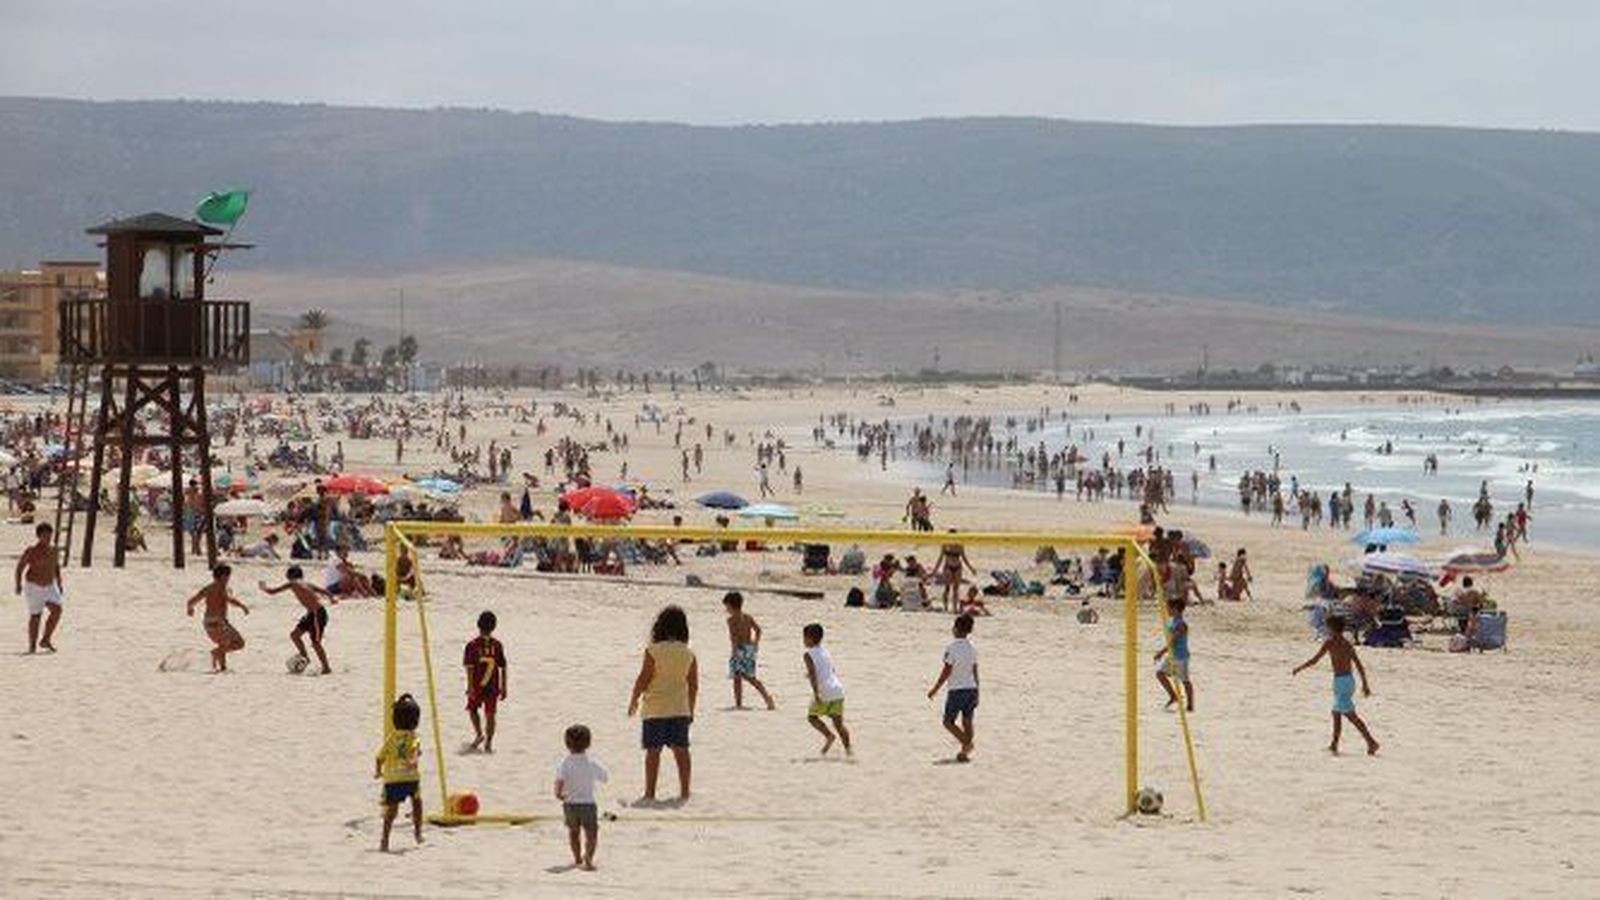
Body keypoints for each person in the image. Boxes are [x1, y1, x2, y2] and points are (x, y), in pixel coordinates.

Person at [627, 606, 698, 803]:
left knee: (653, 752)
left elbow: (643, 679)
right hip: (679, 709)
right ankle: (685, 791)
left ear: (659, 628)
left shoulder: (653, 651)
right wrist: (691, 709)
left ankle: (650, 793)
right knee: (681, 751)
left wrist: (633, 699)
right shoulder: (688, 654)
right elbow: (693, 685)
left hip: (655, 709)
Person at [1292, 614, 1380, 755]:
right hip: (1348, 681)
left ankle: (1371, 742)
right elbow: (1359, 665)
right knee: (1336, 713)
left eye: (1327, 627)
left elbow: (1315, 660)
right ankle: (1334, 745)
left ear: (1332, 628)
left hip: (1341, 683)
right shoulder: (1347, 644)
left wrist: (1300, 668)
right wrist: (1365, 684)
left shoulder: (1330, 643)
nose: (1326, 630)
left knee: (1351, 716)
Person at [259, 565, 338, 674]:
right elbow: (324, 591)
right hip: (312, 614)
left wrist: (264, 587)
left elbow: (272, 592)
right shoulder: (306, 583)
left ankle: (326, 668)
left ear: (291, 576)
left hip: (317, 614)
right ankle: (305, 657)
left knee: (316, 643)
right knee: (295, 635)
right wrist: (331, 598)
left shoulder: (293, 583)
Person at [374, 693, 424, 852]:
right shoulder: (413, 736)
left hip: (392, 779)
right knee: (417, 803)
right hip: (410, 777)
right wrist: (414, 760)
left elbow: (379, 757)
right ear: (415, 722)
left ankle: (385, 839)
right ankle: (417, 832)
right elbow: (415, 750)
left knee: (391, 811)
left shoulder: (391, 737)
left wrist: (378, 771)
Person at [926, 613, 979, 762]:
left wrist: (935, 688)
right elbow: (975, 670)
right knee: (967, 721)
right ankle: (964, 753)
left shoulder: (952, 648)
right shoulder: (972, 648)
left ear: (955, 629)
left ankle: (967, 744)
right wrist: (978, 690)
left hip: (957, 690)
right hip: (971, 689)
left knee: (948, 722)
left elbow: (946, 671)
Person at [555, 723, 608, 871]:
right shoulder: (591, 763)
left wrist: (558, 793)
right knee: (591, 833)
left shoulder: (565, 763)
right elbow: (605, 777)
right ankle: (589, 858)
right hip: (588, 804)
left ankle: (577, 858)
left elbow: (559, 780)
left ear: (567, 744)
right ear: (588, 744)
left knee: (573, 833)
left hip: (570, 803)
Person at [185, 564, 249, 672]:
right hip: (218, 622)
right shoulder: (221, 586)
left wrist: (190, 609)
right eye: (228, 576)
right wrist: (242, 606)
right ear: (223, 576)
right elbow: (229, 599)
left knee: (223, 644)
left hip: (207, 623)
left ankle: (223, 668)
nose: (229, 579)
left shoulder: (208, 588)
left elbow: (191, 601)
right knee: (239, 643)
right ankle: (215, 653)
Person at [803, 622, 852, 756]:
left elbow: (813, 675)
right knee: (839, 724)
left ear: (809, 638)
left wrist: (816, 693)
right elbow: (831, 669)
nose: (803, 641)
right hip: (837, 689)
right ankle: (849, 750)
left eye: (804, 638)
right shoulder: (825, 650)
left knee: (812, 717)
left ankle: (829, 736)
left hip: (824, 691)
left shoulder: (808, 654)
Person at [15, 522, 63, 653]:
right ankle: (32, 646)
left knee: (57, 610)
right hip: (33, 586)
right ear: (38, 536)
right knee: (36, 616)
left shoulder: (54, 550)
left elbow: (56, 567)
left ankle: (46, 639)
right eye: (45, 535)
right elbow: (20, 567)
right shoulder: (31, 551)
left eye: (49, 535)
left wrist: (59, 583)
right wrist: (18, 584)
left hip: (50, 586)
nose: (48, 538)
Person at [464, 610, 508, 753]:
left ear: (478, 625)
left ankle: (479, 734)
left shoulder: (472, 645)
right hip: (493, 686)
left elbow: (469, 669)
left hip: (477, 685)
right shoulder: (497, 645)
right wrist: (504, 686)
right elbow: (503, 667)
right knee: (491, 714)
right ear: (494, 627)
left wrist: (470, 686)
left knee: (472, 709)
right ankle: (488, 742)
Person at [723, 592, 775, 710]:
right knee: (746, 677)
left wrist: (734, 652)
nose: (726, 610)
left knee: (742, 678)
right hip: (749, 649)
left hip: (739, 650)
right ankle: (764, 698)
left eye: (727, 607)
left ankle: (742, 702)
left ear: (731, 606)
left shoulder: (731, 620)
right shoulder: (747, 617)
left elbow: (734, 637)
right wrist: (755, 643)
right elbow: (758, 630)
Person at [1153, 597, 1194, 711]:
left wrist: (1160, 652)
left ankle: (1190, 705)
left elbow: (1173, 641)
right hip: (1172, 655)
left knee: (1185, 681)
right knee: (1160, 674)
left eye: (1168, 608)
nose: (1167, 610)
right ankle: (1173, 696)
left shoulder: (1181, 624)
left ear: (1175, 609)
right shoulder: (1173, 621)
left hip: (1181, 656)